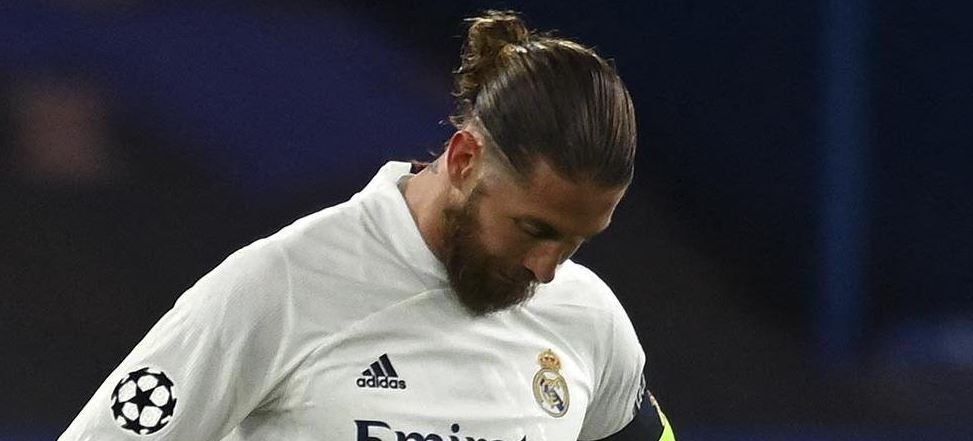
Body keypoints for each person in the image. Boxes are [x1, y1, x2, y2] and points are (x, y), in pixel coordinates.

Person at [60, 11, 675, 441]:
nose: (547, 270)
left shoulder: (588, 318)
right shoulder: (279, 285)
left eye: (576, 242)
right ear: (464, 160)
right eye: (534, 230)